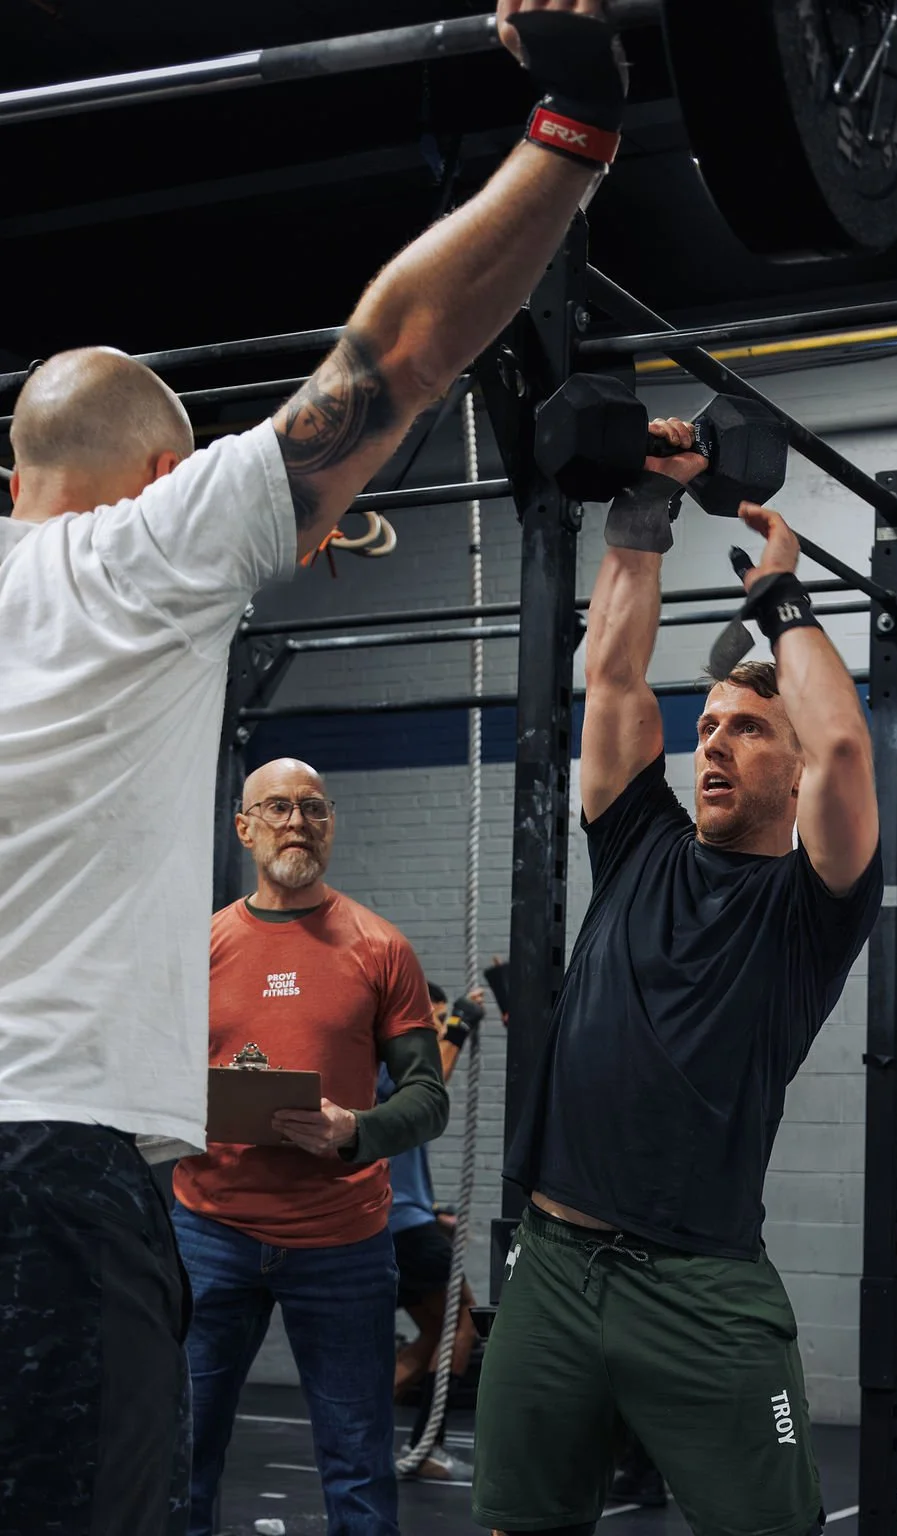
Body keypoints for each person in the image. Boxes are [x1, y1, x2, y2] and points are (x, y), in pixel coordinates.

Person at [0, 4, 630, 1530]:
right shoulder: (148, 550)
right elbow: (398, 356)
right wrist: (575, 132)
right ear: (162, 476)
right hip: (49, 1167)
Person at [472, 423, 883, 1536]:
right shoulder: (638, 843)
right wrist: (645, 509)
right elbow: (608, 677)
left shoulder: (808, 910)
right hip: (551, 1269)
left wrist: (785, 597)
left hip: (705, 1297)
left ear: (788, 769)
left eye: (748, 731)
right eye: (707, 726)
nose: (711, 745)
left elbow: (847, 750)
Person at [171, 755, 447, 1535]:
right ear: (245, 828)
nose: (299, 823)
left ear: (331, 827)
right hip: (210, 1232)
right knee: (183, 1456)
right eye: (281, 808)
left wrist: (356, 1130)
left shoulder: (379, 948)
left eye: (316, 810)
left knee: (358, 1469)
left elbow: (429, 1100)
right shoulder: (205, 947)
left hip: (343, 1242)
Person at [384, 982, 485, 1483]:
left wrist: (437, 1208)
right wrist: (460, 1026)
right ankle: (426, 1449)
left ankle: (368, 1431)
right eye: (432, 1021)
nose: (436, 1032)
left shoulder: (387, 1070)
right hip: (401, 1227)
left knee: (435, 1330)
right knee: (462, 1324)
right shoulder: (389, 1066)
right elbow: (431, 1089)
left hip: (405, 1220)